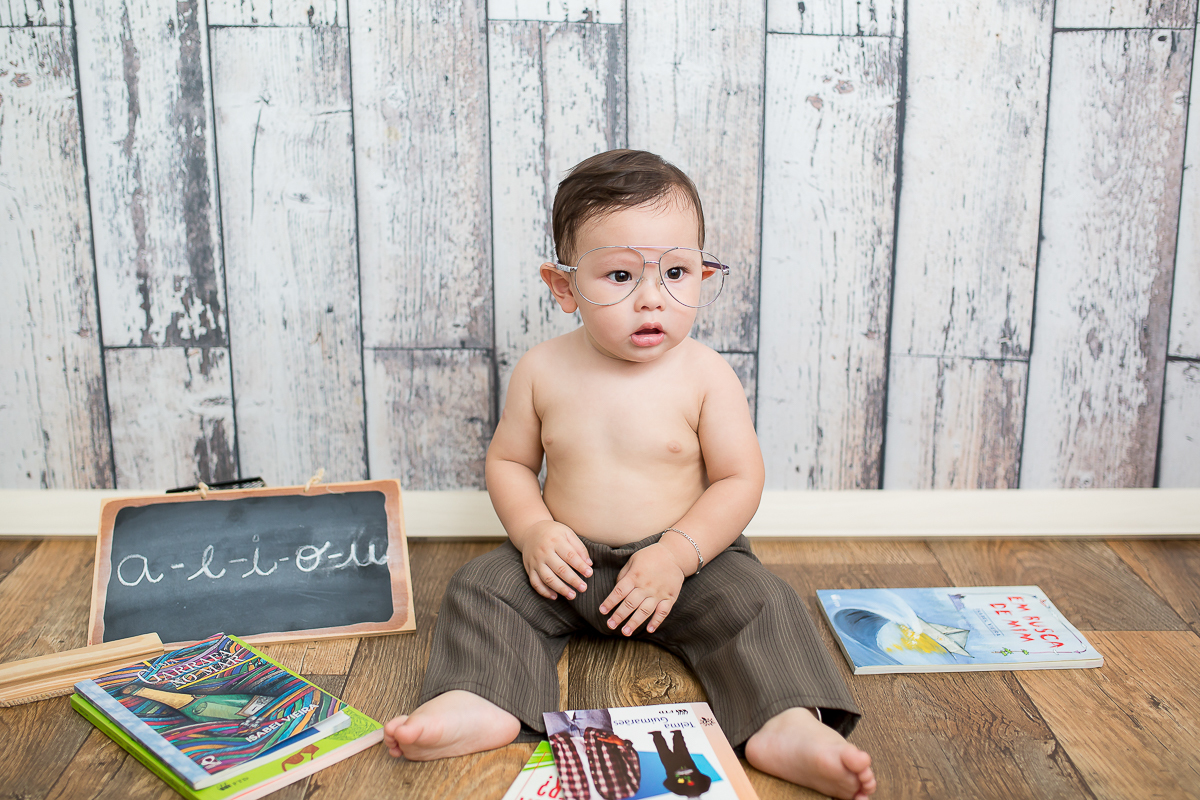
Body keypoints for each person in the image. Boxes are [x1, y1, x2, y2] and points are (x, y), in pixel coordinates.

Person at [384, 149, 876, 800]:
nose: (653, 298)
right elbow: (509, 462)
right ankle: (480, 697)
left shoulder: (705, 375)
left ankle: (785, 721)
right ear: (564, 288)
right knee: (480, 587)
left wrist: (678, 553)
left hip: (685, 568)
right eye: (620, 275)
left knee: (762, 602)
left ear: (702, 272)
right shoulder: (543, 370)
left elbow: (738, 480)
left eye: (676, 272)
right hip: (566, 564)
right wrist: (533, 531)